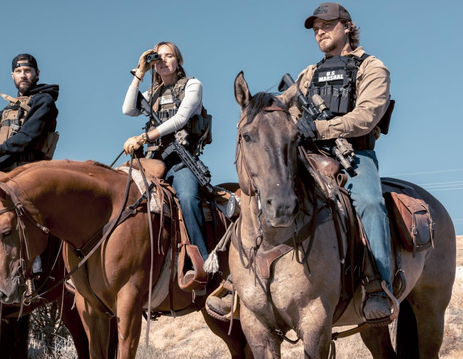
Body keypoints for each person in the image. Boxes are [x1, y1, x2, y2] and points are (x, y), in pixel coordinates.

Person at [210, 3, 396, 325]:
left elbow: (367, 116)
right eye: (315, 28)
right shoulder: (307, 75)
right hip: (307, 153)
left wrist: (322, 128)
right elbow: (287, 115)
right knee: (261, 189)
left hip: (353, 155)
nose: (320, 31)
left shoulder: (372, 67)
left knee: (369, 201)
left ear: (347, 27)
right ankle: (236, 280)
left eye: (328, 24)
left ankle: (378, 283)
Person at [122, 41, 211, 269]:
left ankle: (203, 263)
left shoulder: (192, 85)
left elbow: (180, 119)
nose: (163, 61)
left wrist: (143, 138)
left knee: (189, 200)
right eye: (157, 58)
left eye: (168, 56)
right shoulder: (151, 93)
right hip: (153, 162)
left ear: (178, 61)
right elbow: (127, 109)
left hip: (181, 162)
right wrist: (139, 73)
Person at [0, 53, 59, 171]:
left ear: (37, 73)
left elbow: (28, 136)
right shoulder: (6, 111)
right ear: (13, 75)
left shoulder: (43, 101)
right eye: (18, 71)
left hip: (27, 172)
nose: (23, 75)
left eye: (27, 71)